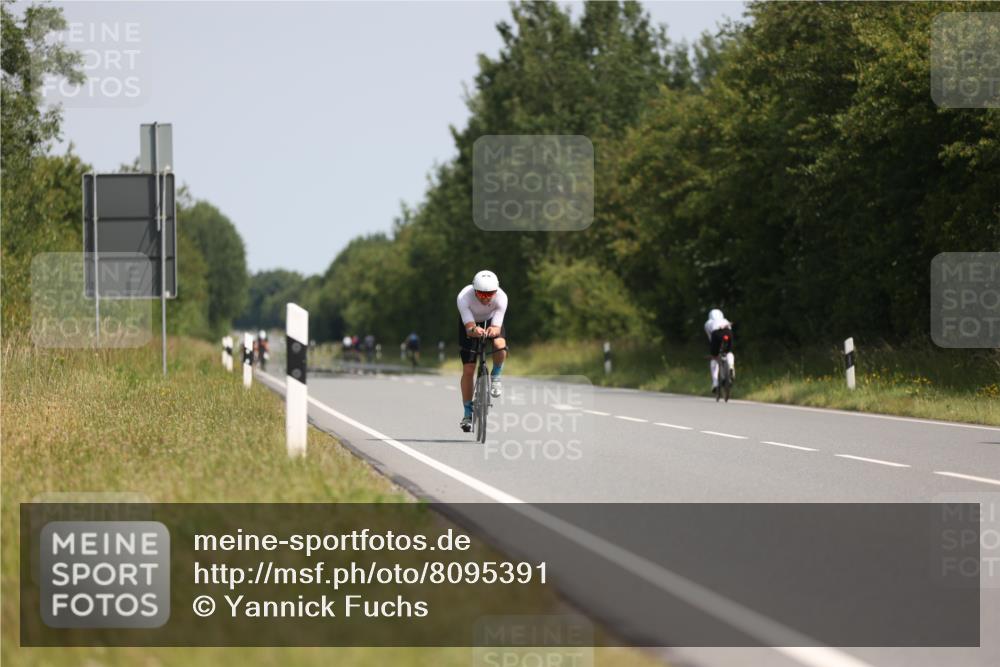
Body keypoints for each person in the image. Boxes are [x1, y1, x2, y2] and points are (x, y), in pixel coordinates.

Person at [457, 270, 508, 432]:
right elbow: (469, 328)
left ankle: (496, 375)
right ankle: (467, 413)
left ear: (496, 291)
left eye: (490, 294)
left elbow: (497, 326)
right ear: (474, 290)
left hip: (491, 319)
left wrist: (493, 330)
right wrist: (474, 330)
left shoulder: (502, 297)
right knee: (468, 368)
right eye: (481, 294)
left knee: (500, 344)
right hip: (471, 322)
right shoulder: (464, 297)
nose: (485, 298)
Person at [704, 308, 735, 395]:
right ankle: (731, 367)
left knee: (714, 358)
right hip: (728, 332)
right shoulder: (725, 320)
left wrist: (715, 350)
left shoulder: (707, 324)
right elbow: (729, 330)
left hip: (716, 334)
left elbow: (711, 338)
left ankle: (715, 383)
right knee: (729, 352)